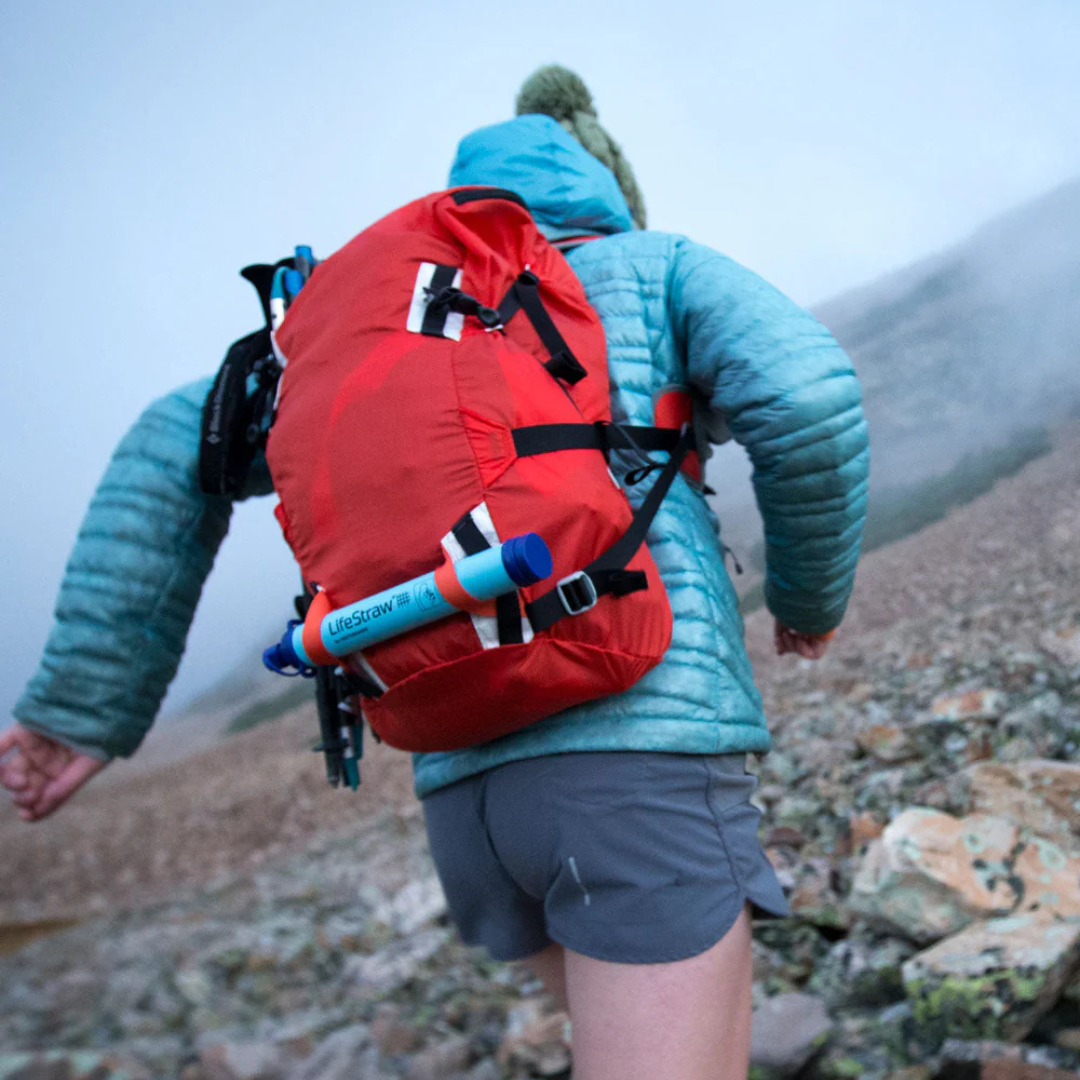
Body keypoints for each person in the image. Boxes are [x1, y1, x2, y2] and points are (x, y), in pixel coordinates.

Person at [1, 66, 869, 1080]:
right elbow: (807, 398)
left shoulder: (377, 324)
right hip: (637, 752)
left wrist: (79, 710)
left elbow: (165, 447)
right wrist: (808, 602)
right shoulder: (653, 265)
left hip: (461, 790)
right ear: (608, 190)